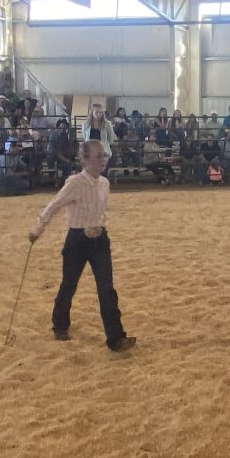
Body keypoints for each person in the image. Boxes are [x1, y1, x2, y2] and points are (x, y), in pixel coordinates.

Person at [28, 139, 135, 351]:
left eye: (104, 155)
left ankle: (116, 337)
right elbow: (54, 205)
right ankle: (60, 324)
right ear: (85, 160)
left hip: (100, 240)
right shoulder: (75, 183)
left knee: (107, 288)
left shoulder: (105, 183)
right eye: (98, 156)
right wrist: (37, 229)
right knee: (69, 284)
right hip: (77, 240)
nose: (103, 159)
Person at [81, 103, 116, 171]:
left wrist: (103, 145)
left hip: (103, 153)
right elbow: (85, 137)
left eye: (100, 112)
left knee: (103, 174)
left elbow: (110, 139)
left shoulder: (107, 124)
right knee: (91, 173)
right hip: (90, 153)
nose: (99, 114)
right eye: (96, 112)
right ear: (92, 113)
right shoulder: (86, 124)